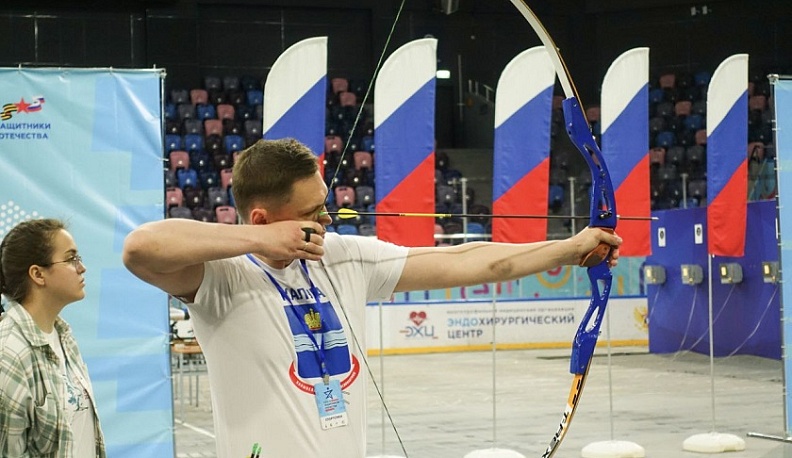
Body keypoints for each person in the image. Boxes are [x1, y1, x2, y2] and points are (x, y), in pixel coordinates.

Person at [122, 138, 622, 458]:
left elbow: (476, 261)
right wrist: (259, 243)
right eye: (314, 212)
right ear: (261, 219)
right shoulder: (221, 278)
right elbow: (140, 247)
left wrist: (572, 248)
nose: (327, 219)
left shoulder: (341, 256)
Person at [0, 219, 106, 457]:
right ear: (38, 274)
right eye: (71, 259)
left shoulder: (63, 335)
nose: (82, 267)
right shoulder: (9, 355)